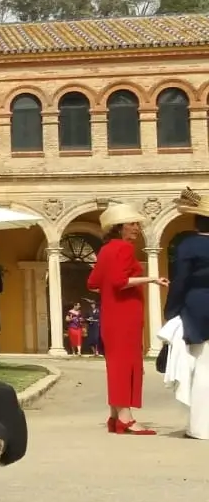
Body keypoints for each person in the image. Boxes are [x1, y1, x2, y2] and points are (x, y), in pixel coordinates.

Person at [86, 202, 167, 435]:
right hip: (125, 316)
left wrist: (110, 293)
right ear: (119, 226)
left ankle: (115, 416)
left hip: (112, 315)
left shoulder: (105, 250)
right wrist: (152, 279)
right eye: (132, 224)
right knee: (126, 365)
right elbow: (120, 282)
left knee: (117, 365)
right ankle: (125, 418)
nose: (136, 228)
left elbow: (92, 284)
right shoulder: (124, 248)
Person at [160, 187, 209, 439]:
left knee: (202, 368)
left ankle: (201, 427)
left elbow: (180, 281)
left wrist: (171, 310)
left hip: (198, 308)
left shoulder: (188, 245)